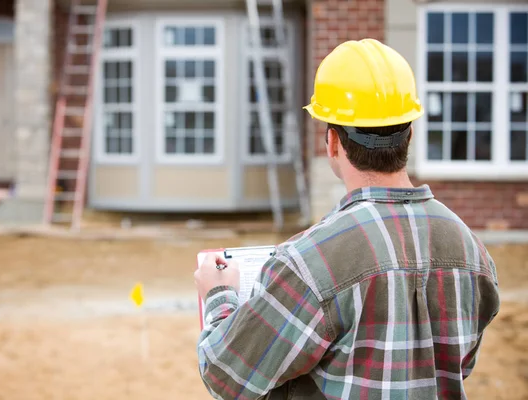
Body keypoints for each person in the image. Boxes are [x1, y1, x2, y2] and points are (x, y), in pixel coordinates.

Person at [194, 38, 500, 399]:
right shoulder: (471, 252)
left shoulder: (310, 261)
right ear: (410, 134)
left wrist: (219, 296)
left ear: (333, 142)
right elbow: (457, 364)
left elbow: (225, 375)